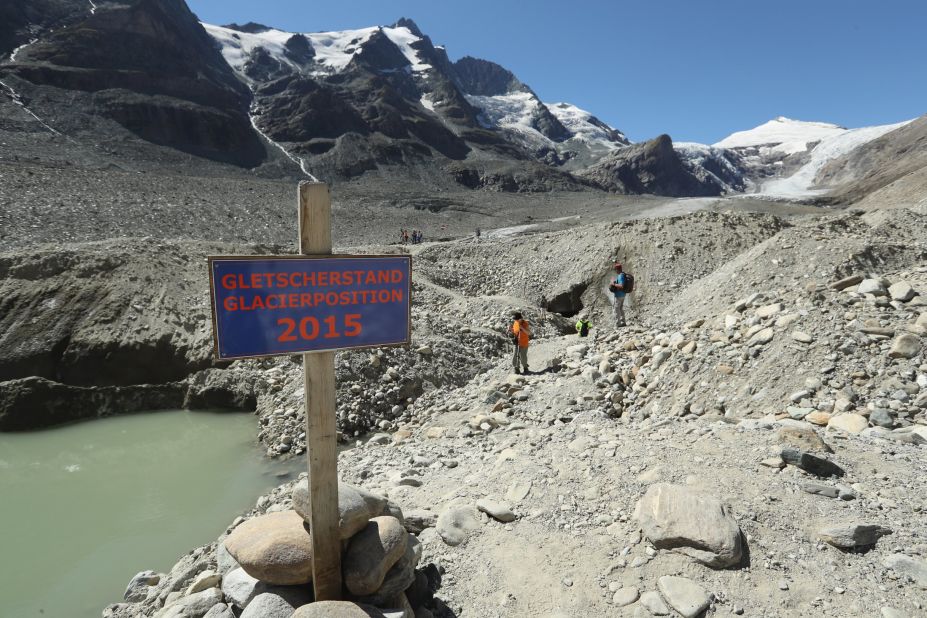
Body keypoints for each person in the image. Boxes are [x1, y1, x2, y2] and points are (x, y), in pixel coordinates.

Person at [609, 262, 627, 327]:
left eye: (615, 269)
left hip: (619, 295)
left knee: (616, 309)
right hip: (623, 294)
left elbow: (621, 286)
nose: (615, 271)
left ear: (617, 269)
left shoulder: (621, 276)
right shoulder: (623, 275)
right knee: (620, 308)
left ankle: (618, 324)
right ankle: (623, 322)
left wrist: (613, 284)